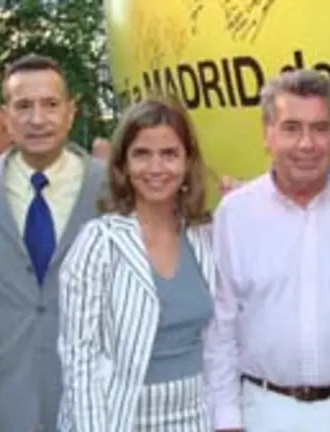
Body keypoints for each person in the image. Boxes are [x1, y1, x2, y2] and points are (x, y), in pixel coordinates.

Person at [206, 69, 330, 431]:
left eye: (320, 128)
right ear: (267, 135)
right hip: (264, 410)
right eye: (291, 128)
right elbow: (221, 326)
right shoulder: (235, 213)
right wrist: (227, 418)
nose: (307, 144)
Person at [0, 54, 106, 432]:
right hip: (6, 389)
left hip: (92, 393)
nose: (37, 119)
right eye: (23, 106)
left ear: (71, 112)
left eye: (51, 105)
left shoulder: (110, 186)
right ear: (5, 115)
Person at [57, 96, 215, 431]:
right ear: (123, 165)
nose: (156, 168)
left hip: (198, 414)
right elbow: (79, 359)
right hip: (122, 416)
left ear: (188, 162)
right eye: (142, 154)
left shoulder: (206, 238)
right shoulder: (99, 242)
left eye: (169, 154)